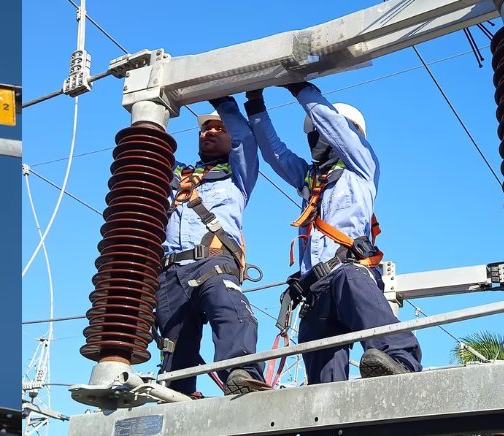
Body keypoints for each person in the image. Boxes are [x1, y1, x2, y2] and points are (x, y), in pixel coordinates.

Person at [246, 82, 422, 384]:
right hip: (315, 289)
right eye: (312, 131)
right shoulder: (310, 178)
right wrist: (256, 106)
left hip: (347, 272)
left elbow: (338, 132)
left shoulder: (362, 165)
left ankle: (400, 360)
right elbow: (275, 153)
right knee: (322, 377)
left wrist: (300, 89)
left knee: (351, 281)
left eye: (321, 127)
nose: (316, 135)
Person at [156, 94, 270, 397]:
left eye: (219, 129)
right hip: (170, 272)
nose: (210, 132)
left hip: (213, 260)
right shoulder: (180, 175)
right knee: (175, 343)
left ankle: (242, 371)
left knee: (228, 306)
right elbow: (152, 154)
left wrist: (223, 102)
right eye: (205, 129)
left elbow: (245, 138)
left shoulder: (238, 175)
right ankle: (176, 394)